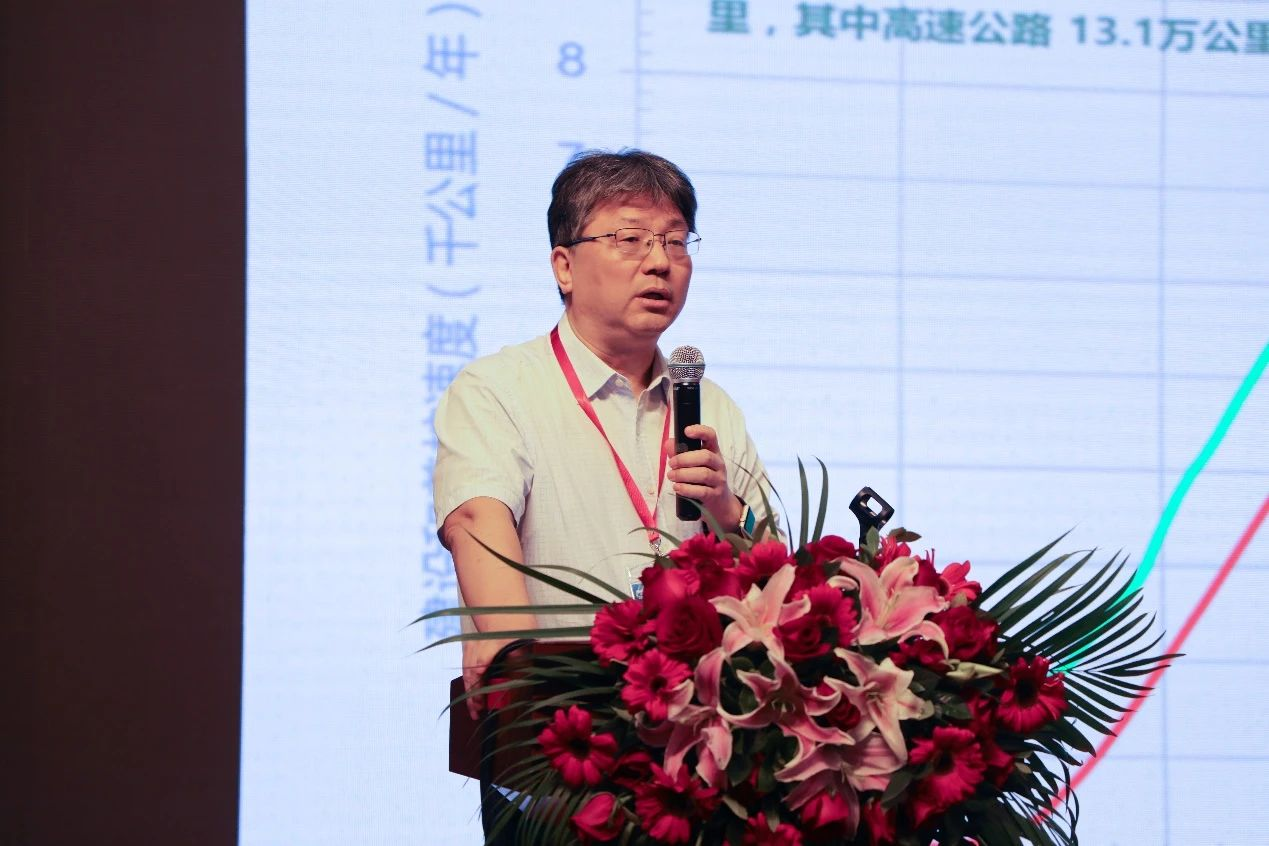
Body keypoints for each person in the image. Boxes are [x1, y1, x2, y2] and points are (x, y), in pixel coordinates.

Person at [433, 150, 774, 719]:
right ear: (564, 267)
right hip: (565, 728)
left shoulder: (711, 404)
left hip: (702, 727)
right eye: (630, 239)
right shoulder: (498, 389)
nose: (659, 262)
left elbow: (778, 582)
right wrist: (516, 665)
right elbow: (477, 523)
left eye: (675, 241)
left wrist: (725, 510)